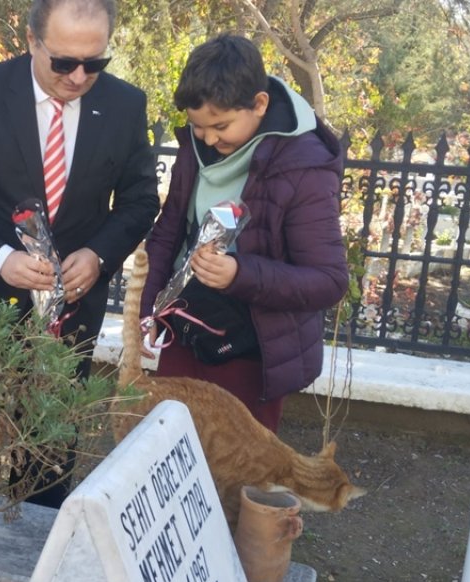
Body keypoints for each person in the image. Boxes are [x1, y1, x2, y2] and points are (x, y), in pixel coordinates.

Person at [0, 0, 159, 508]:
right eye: (64, 62)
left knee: (49, 457)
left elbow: (140, 202)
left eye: (95, 63)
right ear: (32, 42)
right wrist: (0, 258)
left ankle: (35, 570)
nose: (78, 77)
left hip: (71, 313)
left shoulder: (125, 106)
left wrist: (98, 254)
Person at [139, 34, 348, 432]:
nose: (210, 140)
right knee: (169, 454)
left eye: (220, 126)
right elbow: (169, 231)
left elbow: (329, 280)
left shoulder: (304, 166)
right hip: (185, 333)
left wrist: (240, 274)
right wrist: (150, 306)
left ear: (260, 104)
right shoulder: (197, 147)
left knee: (234, 478)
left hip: (251, 351)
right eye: (198, 127)